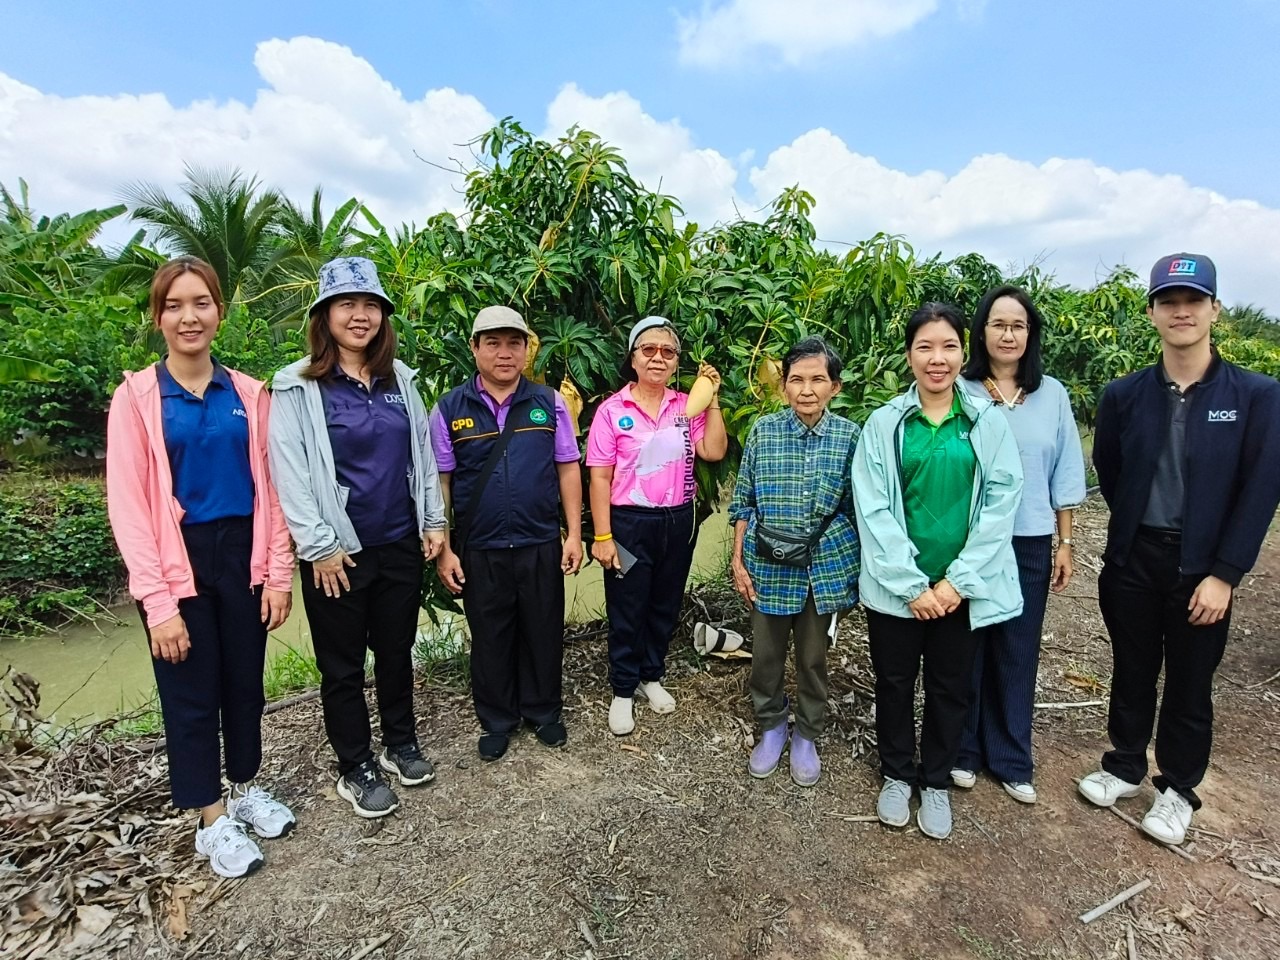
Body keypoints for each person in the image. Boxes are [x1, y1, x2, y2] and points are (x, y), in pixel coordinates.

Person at [1078, 253, 1280, 845]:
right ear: (1152, 313)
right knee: (1132, 667)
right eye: (1169, 301)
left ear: (1215, 309)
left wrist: (1225, 574)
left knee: (1191, 681)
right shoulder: (1125, 394)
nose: (1181, 311)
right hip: (1135, 557)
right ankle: (1124, 765)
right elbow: (1111, 468)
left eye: (1193, 300)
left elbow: (1261, 489)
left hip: (1203, 566)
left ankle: (1178, 789)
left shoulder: (1255, 395)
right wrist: (1131, 533)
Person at [106, 256, 296, 878]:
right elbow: (129, 506)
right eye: (174, 306)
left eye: (201, 303)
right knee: (190, 693)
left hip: (242, 556)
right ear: (157, 317)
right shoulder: (137, 398)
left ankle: (244, 789)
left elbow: (272, 489)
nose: (189, 317)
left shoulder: (250, 394)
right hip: (175, 561)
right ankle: (210, 818)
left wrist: (278, 574)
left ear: (220, 310)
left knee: (244, 683)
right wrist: (157, 603)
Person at [269, 257, 447, 819]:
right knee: (342, 665)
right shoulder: (297, 386)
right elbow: (290, 471)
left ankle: (400, 743)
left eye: (370, 304)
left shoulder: (402, 381)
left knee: (396, 650)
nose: (360, 315)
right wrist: (318, 546)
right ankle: (355, 764)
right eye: (346, 304)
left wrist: (433, 520)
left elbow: (422, 457)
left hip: (398, 541)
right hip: (338, 552)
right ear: (325, 315)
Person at [852, 302, 1023, 840]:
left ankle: (936, 781)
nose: (937, 358)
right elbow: (873, 507)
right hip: (897, 589)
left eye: (948, 346)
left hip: (959, 591)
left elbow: (1002, 502)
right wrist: (911, 584)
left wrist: (957, 582)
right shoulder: (885, 424)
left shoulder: (986, 421)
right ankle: (897, 774)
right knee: (895, 683)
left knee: (951, 688)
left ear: (963, 353)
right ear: (909, 355)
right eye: (924, 346)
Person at [951, 286, 1086, 805]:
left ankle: (1010, 756)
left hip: (1028, 538)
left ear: (1031, 335)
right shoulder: (960, 388)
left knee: (1017, 646)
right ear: (981, 332)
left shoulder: (1051, 394)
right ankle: (963, 750)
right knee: (968, 645)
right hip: (969, 541)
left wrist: (1064, 541)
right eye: (998, 324)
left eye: (1018, 326)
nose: (1008, 335)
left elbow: (1065, 469)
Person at [431, 306, 584, 761]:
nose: (504, 353)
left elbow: (567, 468)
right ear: (474, 348)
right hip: (481, 547)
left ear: (525, 350)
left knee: (543, 630)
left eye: (514, 343)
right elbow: (441, 481)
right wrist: (445, 548)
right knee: (490, 635)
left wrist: (573, 534)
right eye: (493, 343)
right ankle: (497, 719)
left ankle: (543, 711)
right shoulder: (449, 409)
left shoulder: (549, 402)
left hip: (539, 541)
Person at [586, 316, 728, 736]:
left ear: (676, 362)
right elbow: (599, 478)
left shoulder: (687, 407)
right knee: (627, 605)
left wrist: (712, 396)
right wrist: (603, 536)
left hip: (678, 520)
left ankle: (651, 676)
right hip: (629, 523)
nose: (658, 358)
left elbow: (713, 451)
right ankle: (623, 689)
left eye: (668, 352)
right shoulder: (613, 411)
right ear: (633, 359)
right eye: (648, 349)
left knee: (665, 602)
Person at [729, 337, 859, 786]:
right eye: (796, 379)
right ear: (783, 385)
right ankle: (771, 724)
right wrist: (738, 560)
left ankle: (806, 731)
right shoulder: (763, 431)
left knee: (813, 657)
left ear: (835, 387)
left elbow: (857, 509)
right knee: (765, 656)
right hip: (767, 567)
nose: (806, 389)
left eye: (817, 379)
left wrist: (851, 569)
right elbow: (743, 501)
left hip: (822, 570)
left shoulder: (850, 436)